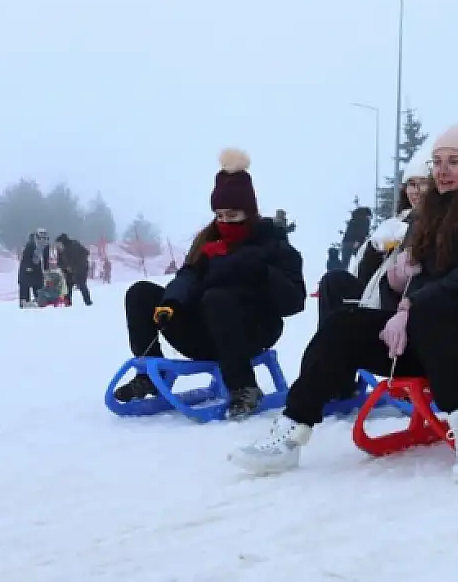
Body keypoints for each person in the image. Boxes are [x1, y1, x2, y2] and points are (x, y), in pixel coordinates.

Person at [233, 123, 458, 481]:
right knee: (345, 323)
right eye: (437, 161)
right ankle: (291, 430)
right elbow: (422, 282)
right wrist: (400, 294)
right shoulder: (434, 215)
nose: (442, 170)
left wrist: (413, 307)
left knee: (436, 309)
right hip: (435, 335)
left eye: (455, 161)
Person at [114, 149, 306, 419]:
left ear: (249, 213)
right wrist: (171, 302)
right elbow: (188, 277)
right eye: (220, 215)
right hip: (204, 334)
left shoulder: (273, 245)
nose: (225, 222)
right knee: (141, 293)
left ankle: (244, 387)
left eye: (233, 215)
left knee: (218, 297)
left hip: (251, 333)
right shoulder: (208, 243)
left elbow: (294, 301)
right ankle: (149, 375)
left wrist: (259, 270)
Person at [315, 140, 432, 320]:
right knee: (332, 281)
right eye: (410, 184)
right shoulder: (395, 223)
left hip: (397, 301)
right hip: (373, 293)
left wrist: (409, 237)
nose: (415, 191)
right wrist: (374, 249)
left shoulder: (435, 222)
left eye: (422, 183)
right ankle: (326, 342)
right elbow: (363, 275)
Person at [54, 233, 94, 306]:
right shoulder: (60, 250)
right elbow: (59, 262)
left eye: (59, 244)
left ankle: (88, 302)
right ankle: (67, 302)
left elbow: (85, 254)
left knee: (81, 284)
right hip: (68, 270)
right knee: (67, 285)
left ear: (63, 243)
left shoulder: (74, 245)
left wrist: (74, 268)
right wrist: (65, 267)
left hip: (80, 268)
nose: (58, 246)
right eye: (57, 245)